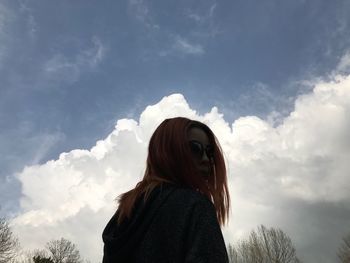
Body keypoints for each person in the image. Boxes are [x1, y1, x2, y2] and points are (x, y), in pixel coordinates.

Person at [102, 117, 231, 262]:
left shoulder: (123, 216)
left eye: (210, 152)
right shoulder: (194, 205)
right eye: (195, 148)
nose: (206, 159)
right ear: (169, 151)